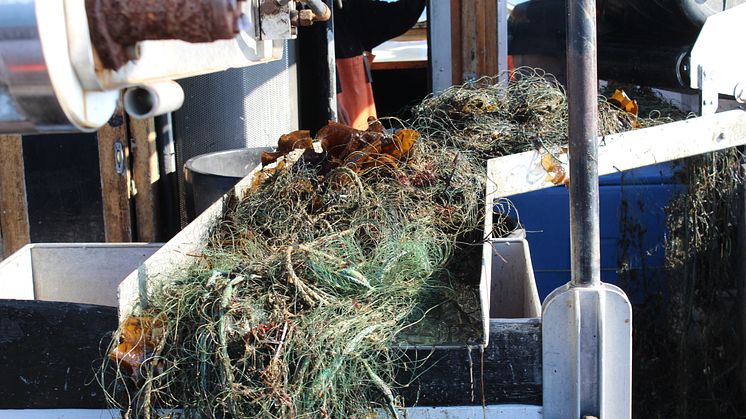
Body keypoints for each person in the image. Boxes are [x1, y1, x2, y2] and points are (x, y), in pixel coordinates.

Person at [333, 0, 426, 130]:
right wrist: (332, 96)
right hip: (337, 134)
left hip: (360, 138)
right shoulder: (343, 12)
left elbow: (405, 12)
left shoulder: (352, 11)